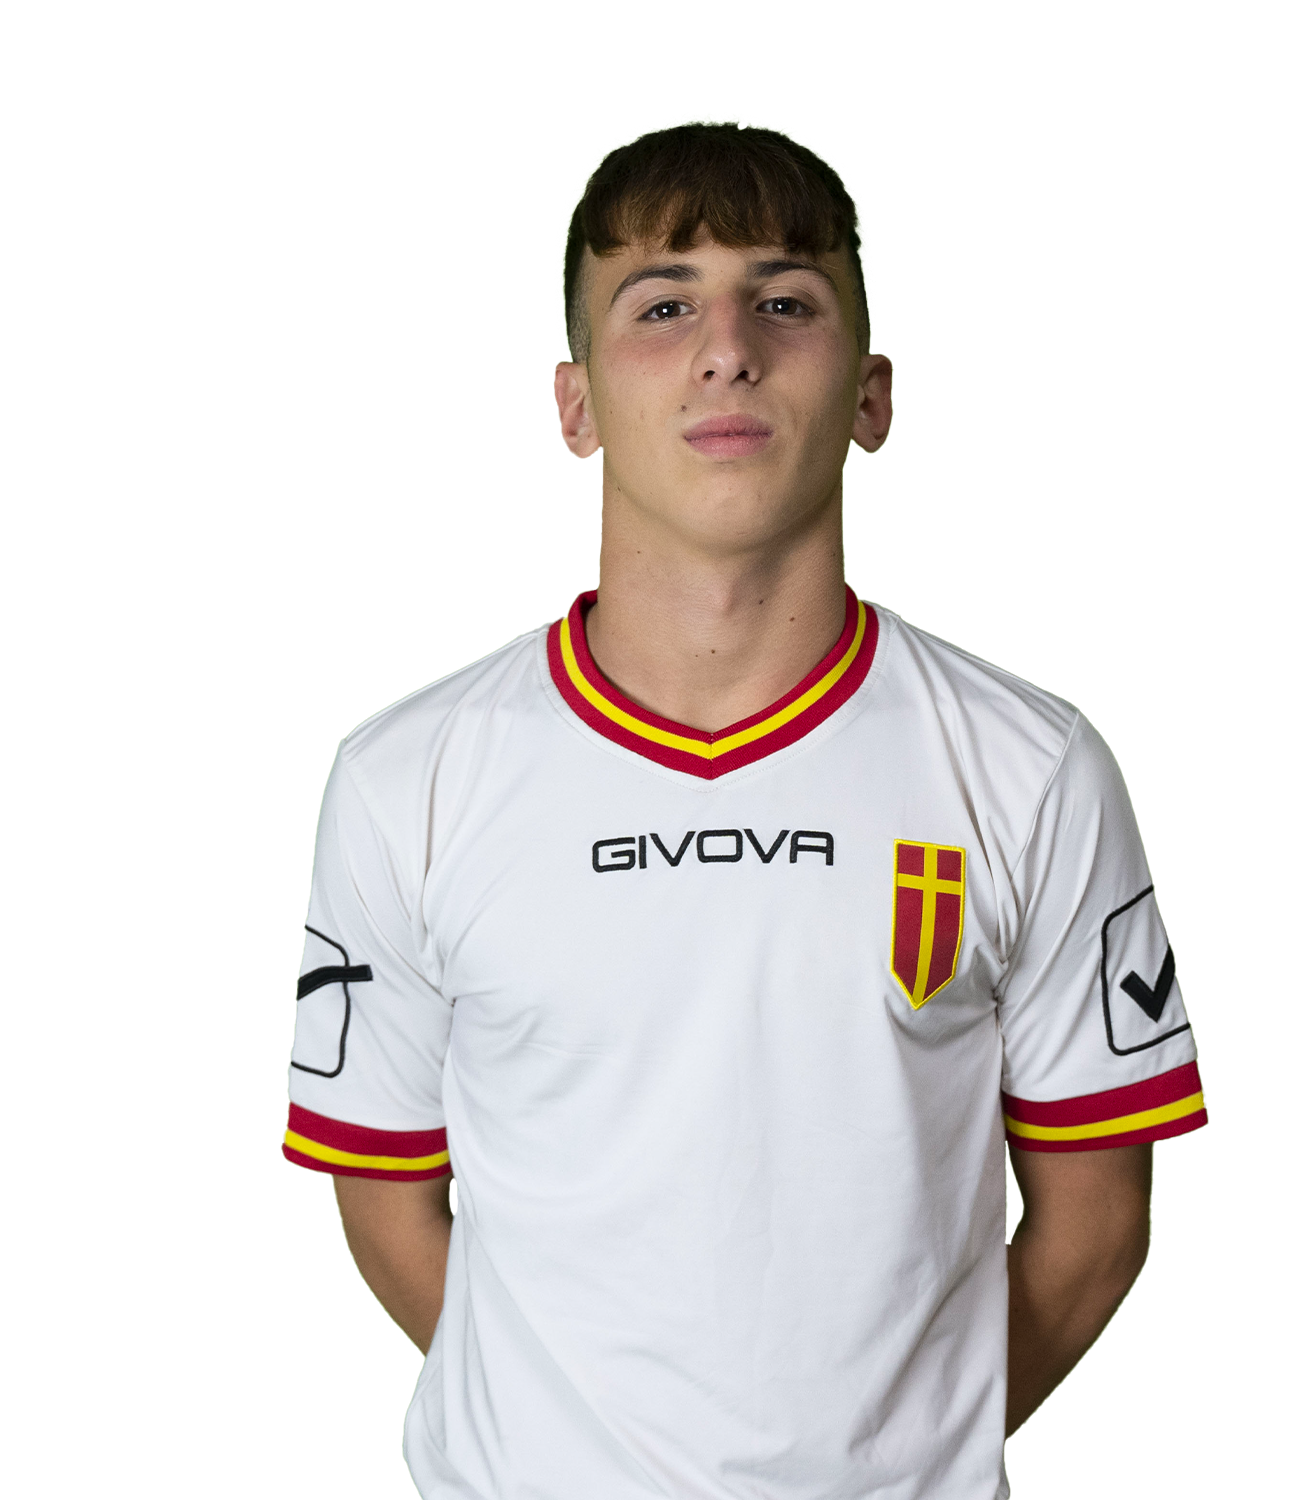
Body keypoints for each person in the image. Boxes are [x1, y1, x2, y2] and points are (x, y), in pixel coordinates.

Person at [280, 117, 1208, 1500]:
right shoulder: (405, 778)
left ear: (872, 395)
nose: (727, 348)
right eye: (662, 307)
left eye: (785, 301)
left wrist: (881, 1462)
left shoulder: (1032, 769)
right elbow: (387, 1200)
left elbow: (1095, 1227)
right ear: (575, 404)